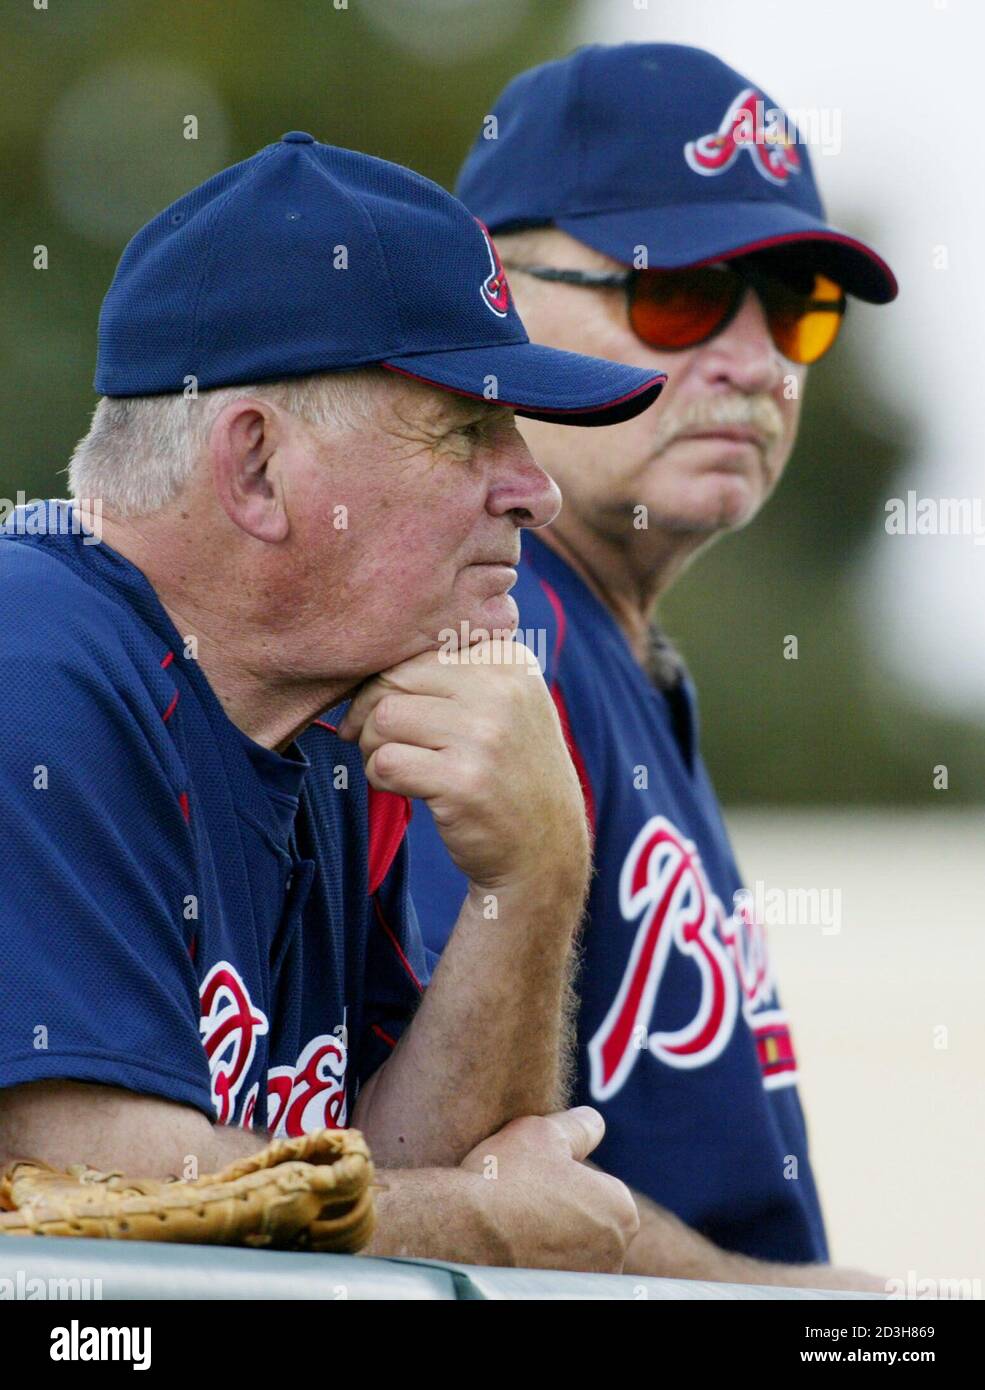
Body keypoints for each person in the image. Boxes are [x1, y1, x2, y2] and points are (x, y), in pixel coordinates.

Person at [0, 132, 668, 1270]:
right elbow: (87, 1205)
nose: (536, 488)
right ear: (256, 466)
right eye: (468, 428)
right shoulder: (34, 658)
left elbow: (391, 1157)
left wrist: (537, 872)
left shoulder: (325, 728)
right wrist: (473, 1226)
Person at [407, 44, 898, 1288]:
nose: (753, 360)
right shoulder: (493, 633)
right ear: (493, 292)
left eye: (795, 305)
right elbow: (458, 1182)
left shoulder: (606, 637)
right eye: (677, 292)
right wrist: (784, 1306)